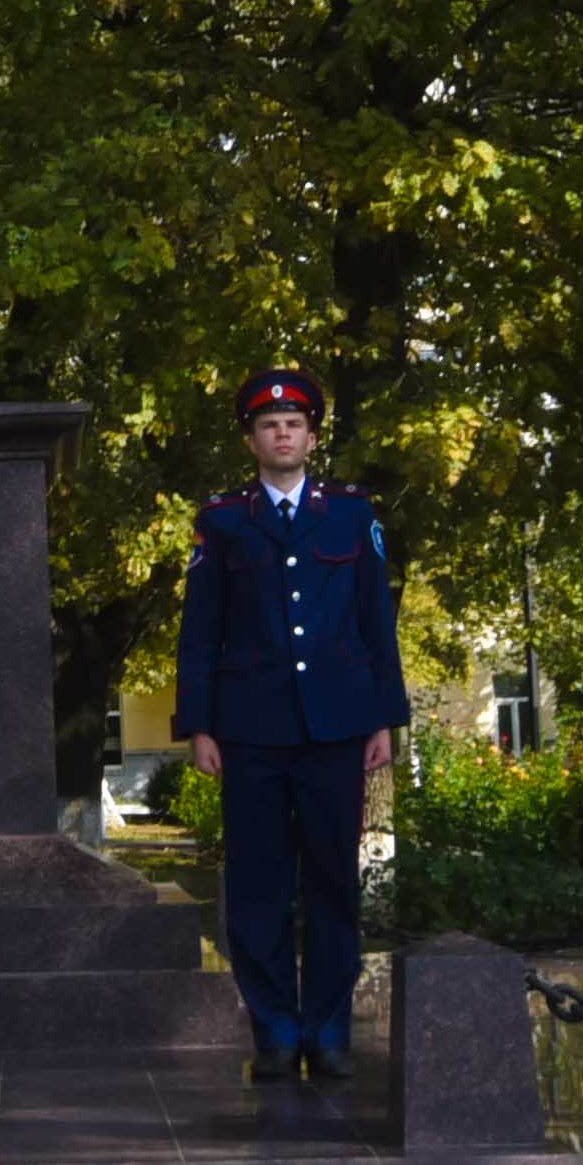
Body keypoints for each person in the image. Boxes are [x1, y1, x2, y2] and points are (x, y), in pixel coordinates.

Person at [173, 367, 410, 1086]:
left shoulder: (349, 514)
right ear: (252, 439)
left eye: (294, 424)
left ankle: (329, 1031)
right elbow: (199, 632)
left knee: (335, 882)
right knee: (258, 888)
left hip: (337, 728)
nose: (283, 434)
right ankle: (276, 1031)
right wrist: (199, 725)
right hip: (250, 730)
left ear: (311, 436)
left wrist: (384, 717)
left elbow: (376, 622)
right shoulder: (222, 521)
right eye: (269, 425)